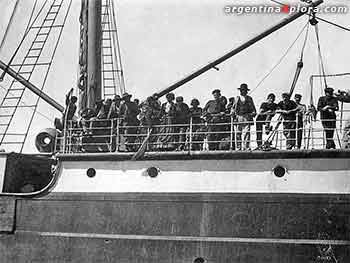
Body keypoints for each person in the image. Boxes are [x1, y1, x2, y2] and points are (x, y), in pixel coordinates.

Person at [232, 83, 256, 150]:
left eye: (244, 90)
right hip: (238, 117)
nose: (243, 91)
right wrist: (232, 112)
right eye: (242, 90)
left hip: (246, 117)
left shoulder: (249, 98)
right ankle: (238, 147)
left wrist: (253, 113)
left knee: (246, 133)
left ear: (246, 91)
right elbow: (233, 108)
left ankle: (246, 147)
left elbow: (253, 108)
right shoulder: (237, 98)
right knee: (238, 133)